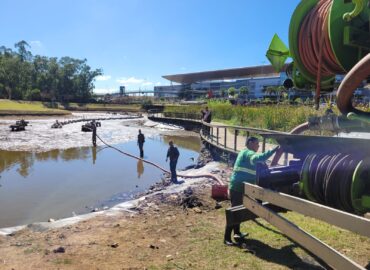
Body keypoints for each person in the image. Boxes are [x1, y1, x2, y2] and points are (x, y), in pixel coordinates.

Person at [224, 136, 280, 246]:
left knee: (239, 210)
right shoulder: (248, 153)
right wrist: (272, 150)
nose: (258, 146)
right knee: (234, 211)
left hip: (243, 187)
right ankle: (226, 238)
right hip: (237, 187)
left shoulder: (246, 153)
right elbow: (257, 158)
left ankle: (237, 233)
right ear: (250, 143)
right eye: (257, 144)